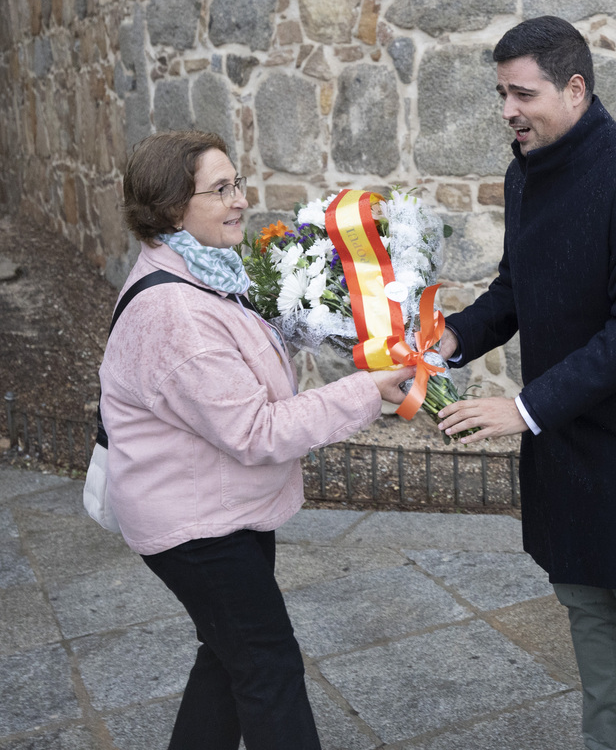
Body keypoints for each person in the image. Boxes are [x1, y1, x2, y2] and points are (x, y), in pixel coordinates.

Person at [435, 16, 616, 749]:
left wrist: (525, 407)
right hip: (563, 443)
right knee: (587, 610)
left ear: (574, 88)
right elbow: (516, 289)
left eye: (521, 94)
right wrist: (458, 335)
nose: (507, 111)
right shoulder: (523, 170)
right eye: (501, 93)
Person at [100, 131, 414, 750]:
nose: (240, 199)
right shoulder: (175, 314)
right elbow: (255, 430)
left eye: (237, 182)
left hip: (221, 511)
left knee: (228, 659)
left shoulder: (202, 270)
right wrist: (365, 391)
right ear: (169, 209)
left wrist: (307, 326)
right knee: (268, 669)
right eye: (220, 190)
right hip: (198, 530)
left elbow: (234, 370)